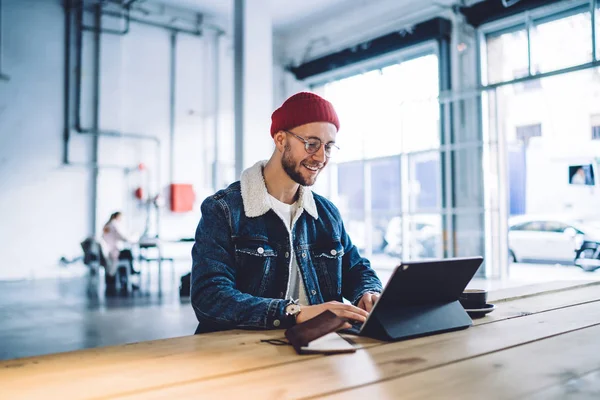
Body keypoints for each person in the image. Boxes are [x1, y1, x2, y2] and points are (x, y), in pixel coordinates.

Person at [191, 92, 383, 334]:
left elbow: (357, 269)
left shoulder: (326, 214)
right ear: (281, 140)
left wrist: (368, 292)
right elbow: (210, 297)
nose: (321, 157)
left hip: (319, 348)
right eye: (311, 144)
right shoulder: (224, 210)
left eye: (329, 146)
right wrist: (294, 312)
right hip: (244, 351)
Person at [101, 211, 139, 292]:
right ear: (117, 217)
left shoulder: (107, 225)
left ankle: (125, 278)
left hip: (109, 252)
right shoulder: (114, 225)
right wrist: (133, 238)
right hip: (113, 252)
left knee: (125, 253)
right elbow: (122, 237)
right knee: (127, 253)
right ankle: (128, 275)